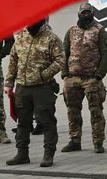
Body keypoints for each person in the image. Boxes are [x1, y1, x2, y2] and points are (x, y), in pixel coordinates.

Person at [5, 18, 64, 167]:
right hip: (22, 87)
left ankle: (48, 154)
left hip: (42, 87)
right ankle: (22, 154)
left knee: (47, 121)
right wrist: (8, 84)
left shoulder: (51, 38)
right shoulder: (22, 36)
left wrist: (44, 74)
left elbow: (61, 60)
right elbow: (13, 61)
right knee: (23, 122)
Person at [61, 2, 107, 154]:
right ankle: (75, 140)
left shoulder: (99, 31)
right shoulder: (71, 31)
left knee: (96, 111)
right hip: (72, 78)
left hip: (92, 79)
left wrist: (99, 75)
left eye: (88, 12)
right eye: (83, 13)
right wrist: (64, 74)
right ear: (79, 14)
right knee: (73, 111)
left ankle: (98, 142)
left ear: (92, 13)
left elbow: (106, 55)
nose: (85, 15)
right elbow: (64, 53)